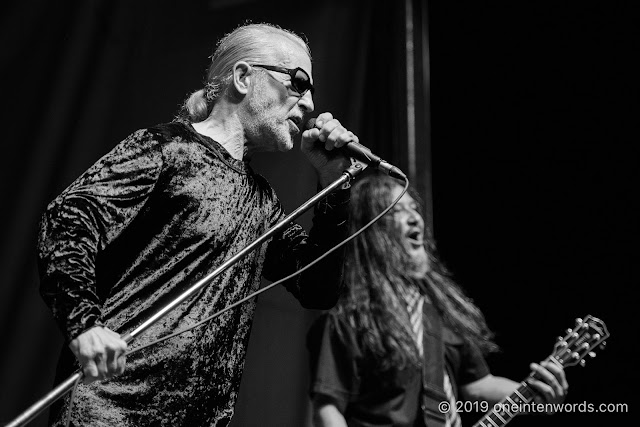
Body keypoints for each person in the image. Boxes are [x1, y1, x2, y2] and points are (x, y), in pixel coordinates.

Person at [37, 22, 358, 426]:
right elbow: (68, 219)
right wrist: (84, 322)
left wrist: (333, 187)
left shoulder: (262, 200)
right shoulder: (168, 148)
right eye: (297, 82)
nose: (309, 103)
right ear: (243, 77)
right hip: (109, 409)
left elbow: (318, 287)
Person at [307, 174, 569, 426]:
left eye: (415, 208)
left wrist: (535, 397)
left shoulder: (440, 311)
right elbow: (328, 408)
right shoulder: (348, 319)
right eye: (398, 210)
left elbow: (478, 386)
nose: (415, 219)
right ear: (373, 228)